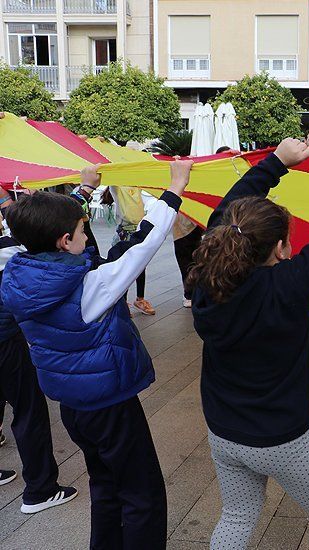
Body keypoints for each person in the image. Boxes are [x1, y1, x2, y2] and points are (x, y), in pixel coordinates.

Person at [187, 138, 309, 550]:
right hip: (284, 439)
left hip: (224, 432)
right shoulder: (288, 287)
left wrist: (275, 163)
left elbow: (225, 217)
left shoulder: (206, 281)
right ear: (279, 247)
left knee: (236, 515)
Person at [1, 160, 193, 547]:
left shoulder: (16, 274)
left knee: (105, 484)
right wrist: (176, 186)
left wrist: (82, 193)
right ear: (62, 242)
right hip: (111, 406)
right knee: (142, 493)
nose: (87, 240)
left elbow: (39, 226)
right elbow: (144, 245)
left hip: (74, 408)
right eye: (79, 232)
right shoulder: (91, 286)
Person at [0, 191, 78, 512]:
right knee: (29, 408)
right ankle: (40, 490)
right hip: (4, 342)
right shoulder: (8, 250)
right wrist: (80, 192)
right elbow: (39, 238)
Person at [105, 185, 155, 315]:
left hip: (138, 230)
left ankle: (140, 299)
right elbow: (112, 181)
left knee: (141, 265)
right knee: (124, 268)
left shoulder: (136, 185)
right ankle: (122, 302)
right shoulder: (117, 188)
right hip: (125, 233)